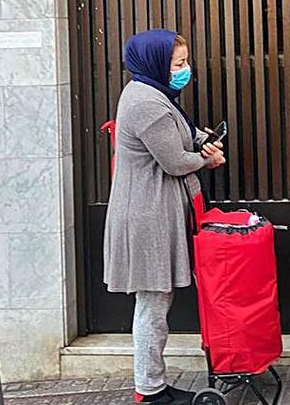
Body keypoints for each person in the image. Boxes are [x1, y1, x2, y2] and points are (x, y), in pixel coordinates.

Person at [103, 29, 226, 405]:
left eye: (186, 62)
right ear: (156, 63)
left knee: (157, 302)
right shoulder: (146, 103)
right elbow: (174, 161)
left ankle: (153, 383)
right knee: (153, 304)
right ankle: (150, 390)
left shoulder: (152, 92)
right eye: (178, 64)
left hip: (152, 211)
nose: (185, 70)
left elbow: (180, 134)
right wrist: (208, 158)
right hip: (147, 216)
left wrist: (201, 138)